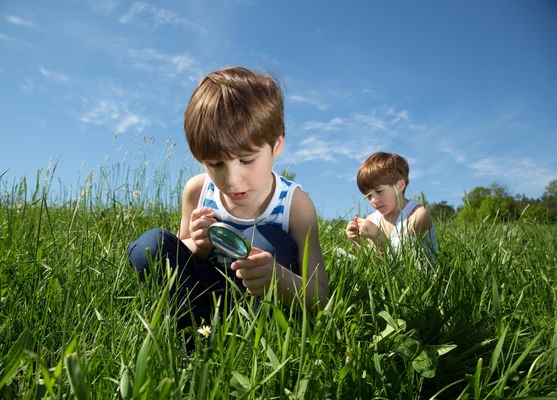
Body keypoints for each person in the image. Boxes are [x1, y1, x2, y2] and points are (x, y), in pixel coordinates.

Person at [128, 66, 328, 330]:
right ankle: (191, 336)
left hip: (263, 302)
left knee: (267, 240)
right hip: (206, 298)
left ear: (277, 145)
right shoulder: (198, 191)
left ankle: (260, 341)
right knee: (151, 246)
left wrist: (277, 279)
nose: (232, 180)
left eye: (246, 160)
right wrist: (197, 246)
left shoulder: (296, 204)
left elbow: (321, 296)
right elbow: (181, 264)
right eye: (215, 164)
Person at [345, 152, 438, 261]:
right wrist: (358, 243)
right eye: (368, 196)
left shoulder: (417, 215)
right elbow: (377, 265)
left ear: (400, 185)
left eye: (379, 191)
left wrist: (378, 238)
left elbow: (405, 265)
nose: (374, 201)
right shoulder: (372, 220)